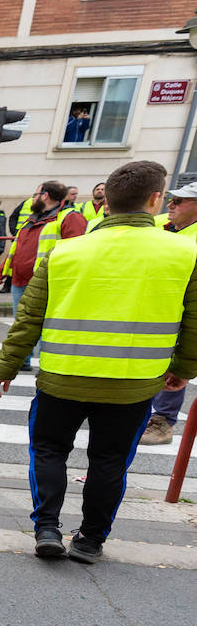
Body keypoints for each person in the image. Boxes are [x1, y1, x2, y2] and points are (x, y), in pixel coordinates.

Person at [0, 160, 197, 561]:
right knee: (110, 460)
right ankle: (90, 539)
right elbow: (194, 320)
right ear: (155, 199)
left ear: (104, 203)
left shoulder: (66, 251)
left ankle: (47, 528)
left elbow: (29, 316)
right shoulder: (184, 252)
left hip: (61, 378)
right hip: (133, 383)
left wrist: (6, 366)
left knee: (49, 450)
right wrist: (184, 369)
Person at [0, 180, 88, 370]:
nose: (33, 198)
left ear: (45, 195)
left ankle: (49, 364)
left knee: (48, 327)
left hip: (46, 283)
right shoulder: (33, 218)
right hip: (20, 280)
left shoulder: (69, 218)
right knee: (22, 323)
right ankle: (23, 360)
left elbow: (77, 251)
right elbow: (18, 246)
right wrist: (4, 268)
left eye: (35, 194)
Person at [137, 182, 197, 445]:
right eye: (170, 200)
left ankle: (162, 421)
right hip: (156, 305)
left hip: (182, 309)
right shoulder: (166, 225)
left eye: (180, 201)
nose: (170, 205)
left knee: (173, 363)